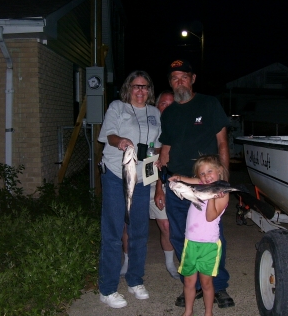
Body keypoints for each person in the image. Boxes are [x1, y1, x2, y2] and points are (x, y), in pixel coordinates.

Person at [155, 59, 235, 308]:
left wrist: (224, 180)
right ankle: (193, 284)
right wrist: (161, 185)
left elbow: (222, 143)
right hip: (178, 185)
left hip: (207, 182)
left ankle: (218, 285)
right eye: (174, 78)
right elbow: (164, 152)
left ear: (193, 79)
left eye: (184, 77)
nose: (179, 82)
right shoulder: (168, 114)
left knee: (212, 236)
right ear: (170, 82)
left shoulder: (209, 104)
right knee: (180, 235)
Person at [97, 70, 161, 309]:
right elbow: (109, 136)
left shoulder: (155, 113)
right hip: (116, 174)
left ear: (149, 90)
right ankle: (108, 288)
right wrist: (121, 141)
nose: (140, 91)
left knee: (139, 232)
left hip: (143, 177)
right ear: (128, 88)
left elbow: (159, 144)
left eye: (145, 87)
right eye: (136, 86)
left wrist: (157, 158)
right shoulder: (117, 107)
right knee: (114, 232)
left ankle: (135, 280)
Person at [120, 90, 179, 279]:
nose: (167, 108)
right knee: (128, 225)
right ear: (156, 105)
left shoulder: (175, 128)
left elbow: (166, 162)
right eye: (163, 104)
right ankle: (127, 262)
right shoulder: (142, 122)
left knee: (166, 225)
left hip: (157, 182)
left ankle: (170, 263)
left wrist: (160, 188)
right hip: (135, 180)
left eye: (171, 104)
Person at [169, 155, 229, 316]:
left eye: (210, 171)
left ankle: (208, 312)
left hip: (209, 246)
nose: (206, 176)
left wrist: (210, 198)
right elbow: (192, 181)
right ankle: (188, 311)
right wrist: (179, 178)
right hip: (190, 243)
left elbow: (210, 217)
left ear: (219, 172)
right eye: (202, 173)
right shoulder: (202, 184)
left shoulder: (222, 194)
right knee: (189, 281)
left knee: (206, 282)